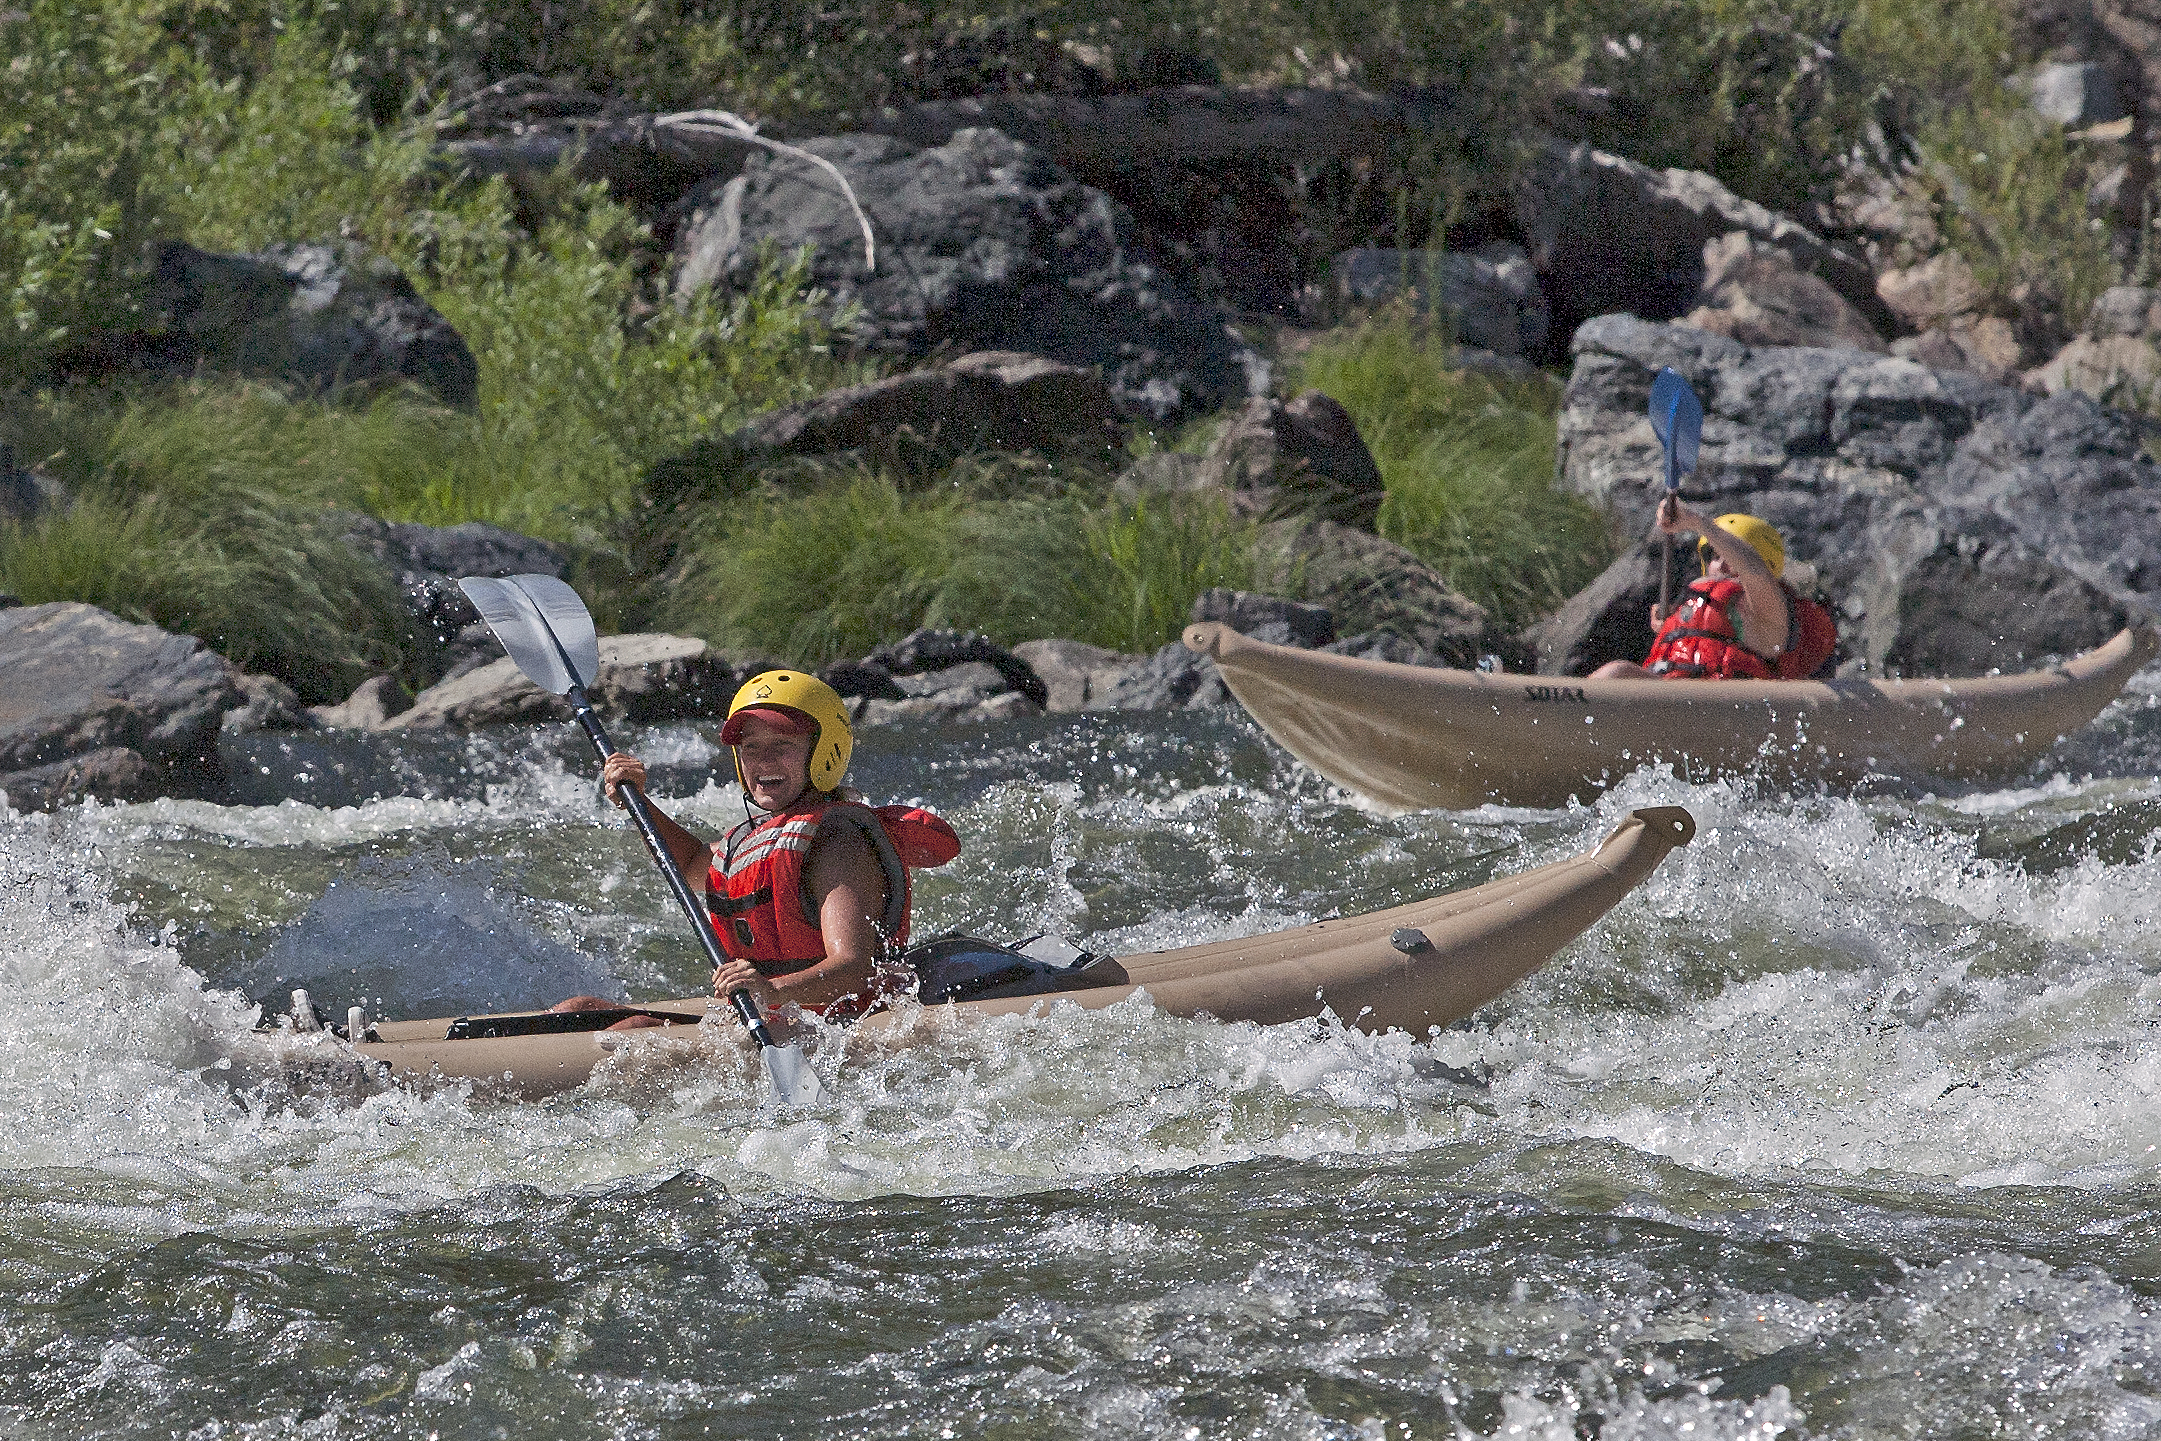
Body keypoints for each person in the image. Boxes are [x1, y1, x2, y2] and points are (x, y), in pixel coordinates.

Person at [555, 670, 959, 1026]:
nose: (763, 761)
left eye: (782, 744)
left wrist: (771, 990)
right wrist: (638, 803)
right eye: (750, 747)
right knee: (578, 1009)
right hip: (775, 1013)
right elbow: (692, 864)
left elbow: (854, 969)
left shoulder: (840, 844)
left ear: (824, 750)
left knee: (631, 1031)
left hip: (840, 1023)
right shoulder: (751, 839)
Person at [1591, 498, 1837, 681]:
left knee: (1615, 673)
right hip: (1673, 698)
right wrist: (1671, 628)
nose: (1720, 564)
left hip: (1728, 708)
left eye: (1728, 556)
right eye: (1714, 556)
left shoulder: (1769, 612)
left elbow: (1754, 571)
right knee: (1614, 675)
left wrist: (1698, 523)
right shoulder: (1690, 607)